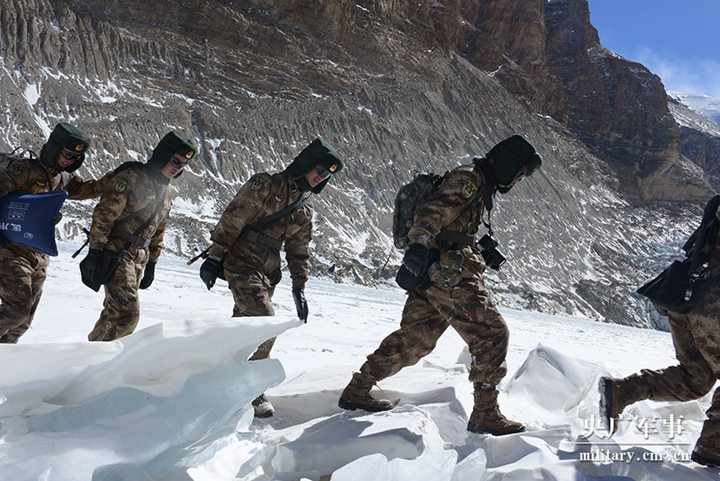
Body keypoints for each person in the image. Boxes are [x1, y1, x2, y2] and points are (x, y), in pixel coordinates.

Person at [338, 135, 542, 436]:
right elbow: (432, 212)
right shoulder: (469, 179)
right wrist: (418, 246)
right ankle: (485, 413)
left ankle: (358, 388)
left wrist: (477, 248)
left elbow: (453, 226)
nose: (519, 180)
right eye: (520, 173)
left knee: (415, 339)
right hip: (447, 272)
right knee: (492, 332)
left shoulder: (480, 185)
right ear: (508, 164)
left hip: (439, 270)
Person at [199, 137, 345, 418]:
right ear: (306, 164)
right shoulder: (265, 184)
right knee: (265, 320)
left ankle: (217, 379)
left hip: (268, 273)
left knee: (242, 328)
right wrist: (215, 256)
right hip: (241, 262)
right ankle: (253, 391)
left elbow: (298, 249)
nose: (320, 177)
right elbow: (233, 218)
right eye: (319, 170)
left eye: (326, 175)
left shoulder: (305, 207)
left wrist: (299, 286)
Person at [599, 211, 720, 467]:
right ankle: (713, 449)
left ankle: (623, 391)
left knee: (695, 378)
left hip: (688, 298)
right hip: (711, 304)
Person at [80, 130, 197, 341]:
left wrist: (152, 262)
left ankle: (91, 356)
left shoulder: (167, 190)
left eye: (182, 165)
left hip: (139, 258)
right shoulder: (130, 177)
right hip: (117, 253)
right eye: (175, 161)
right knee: (127, 315)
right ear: (163, 155)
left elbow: (159, 229)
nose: (177, 168)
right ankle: (107, 365)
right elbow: (104, 216)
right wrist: (95, 251)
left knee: (112, 311)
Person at [0, 122, 101, 343]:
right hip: (10, 251)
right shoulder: (23, 170)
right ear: (55, 147)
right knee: (17, 310)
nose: (68, 160)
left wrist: (115, 180)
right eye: (66, 154)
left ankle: (4, 362)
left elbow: (90, 189)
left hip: (38, 256)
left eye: (74, 158)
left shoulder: (63, 179)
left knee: (23, 323)